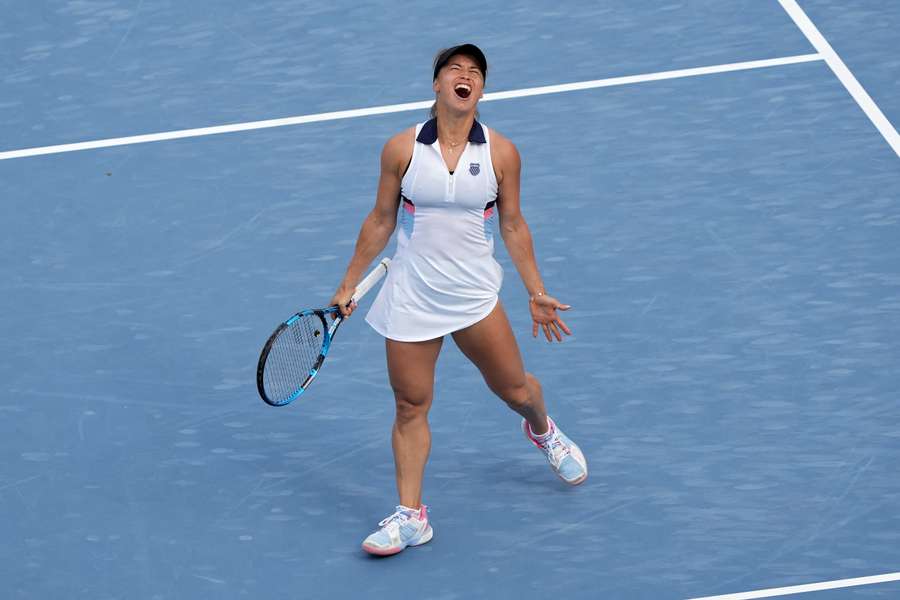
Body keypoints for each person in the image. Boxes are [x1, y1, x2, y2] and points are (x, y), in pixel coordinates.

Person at [330, 44, 587, 557]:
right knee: (410, 405)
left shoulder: (501, 153)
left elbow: (512, 224)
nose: (464, 76)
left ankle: (542, 429)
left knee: (515, 389)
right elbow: (381, 218)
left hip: (473, 296)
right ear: (437, 84)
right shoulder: (401, 149)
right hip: (411, 294)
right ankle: (411, 516)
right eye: (455, 69)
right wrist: (347, 282)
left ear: (481, 90)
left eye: (474, 72)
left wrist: (536, 292)